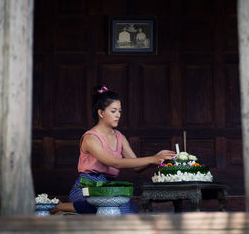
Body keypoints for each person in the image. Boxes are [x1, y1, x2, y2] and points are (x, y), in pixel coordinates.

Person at [53, 85, 175, 214]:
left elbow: (136, 166)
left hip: (109, 188)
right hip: (86, 187)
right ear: (101, 113)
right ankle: (61, 206)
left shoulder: (119, 137)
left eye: (120, 111)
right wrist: (152, 159)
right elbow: (114, 162)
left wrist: (156, 157)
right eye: (113, 111)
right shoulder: (90, 138)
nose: (118, 115)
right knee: (101, 206)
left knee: (130, 211)